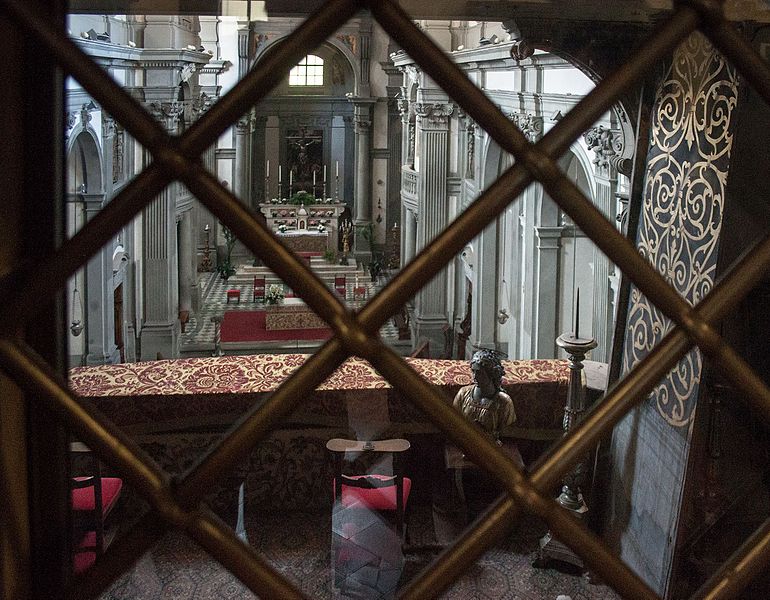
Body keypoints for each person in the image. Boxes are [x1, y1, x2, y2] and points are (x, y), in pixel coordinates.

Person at [452, 348, 516, 445]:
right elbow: (454, 423)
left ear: (491, 374)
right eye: (473, 371)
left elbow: (506, 434)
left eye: (480, 373)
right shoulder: (463, 393)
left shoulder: (504, 401)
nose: (474, 376)